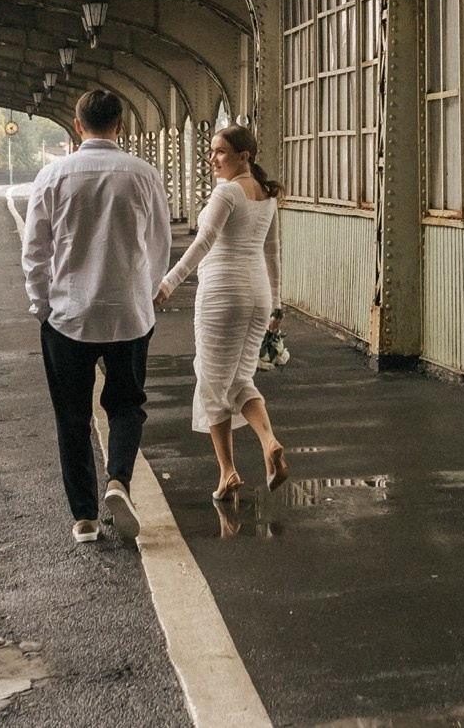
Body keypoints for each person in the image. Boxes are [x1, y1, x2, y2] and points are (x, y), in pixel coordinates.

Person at [22, 89, 170, 544]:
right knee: (126, 406)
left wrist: (42, 306)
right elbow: (159, 244)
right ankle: (118, 480)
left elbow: (35, 251)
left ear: (77, 124)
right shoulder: (144, 174)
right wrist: (144, 295)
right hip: (128, 313)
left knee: (71, 416)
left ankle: (85, 519)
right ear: (120, 125)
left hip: (68, 315)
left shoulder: (52, 175)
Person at [155, 124, 288, 501]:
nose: (212, 158)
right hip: (257, 295)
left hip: (222, 296)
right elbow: (272, 254)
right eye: (211, 150)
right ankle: (269, 440)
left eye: (220, 152)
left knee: (212, 382)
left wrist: (168, 282)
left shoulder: (227, 192)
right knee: (239, 379)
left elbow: (204, 242)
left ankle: (228, 472)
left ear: (243, 156)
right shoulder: (266, 196)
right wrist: (276, 303)